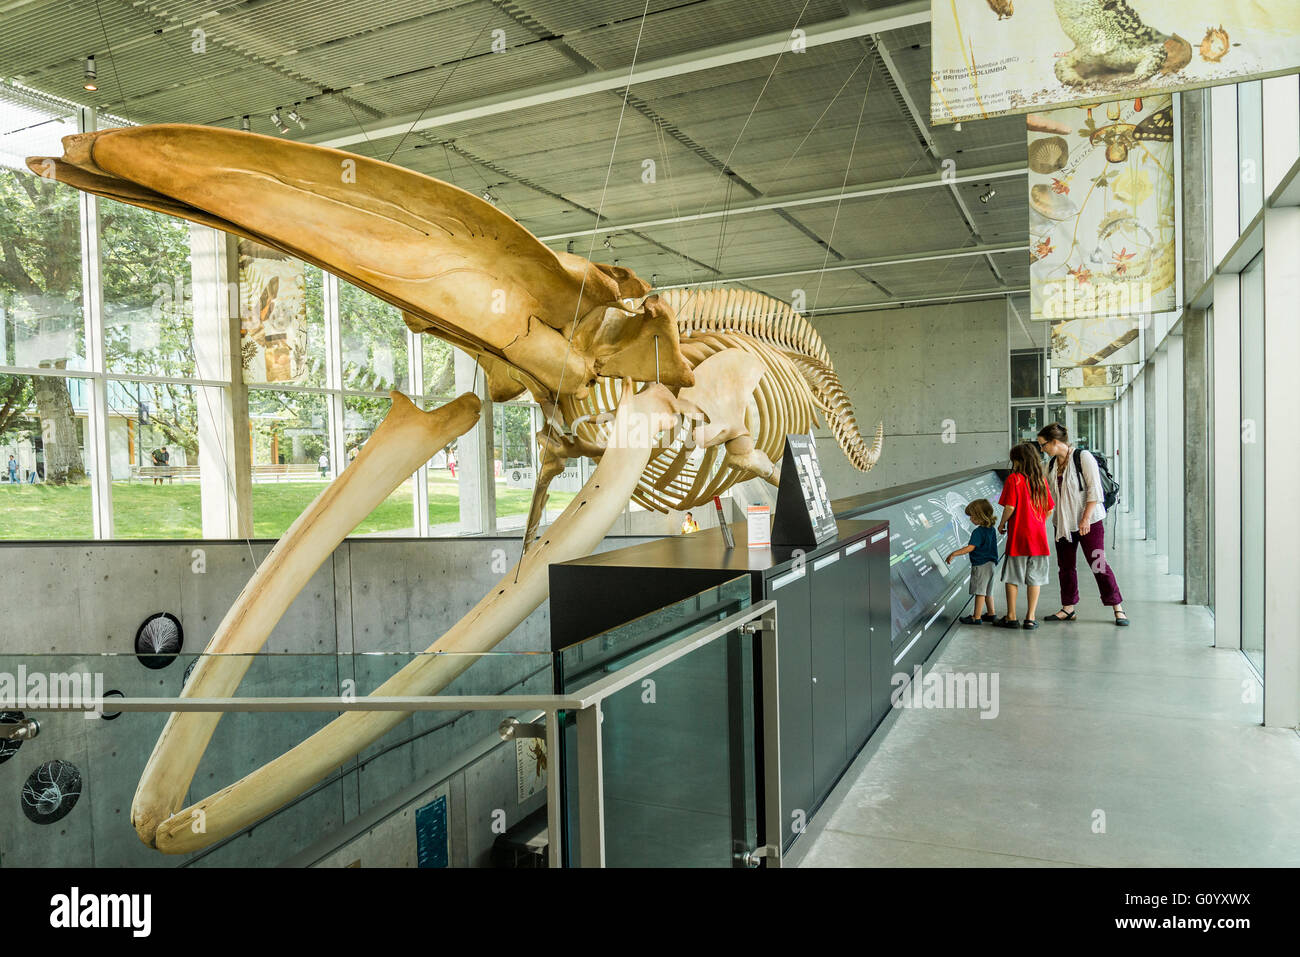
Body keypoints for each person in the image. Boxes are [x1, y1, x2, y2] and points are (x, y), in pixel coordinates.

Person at [1037, 423, 1129, 626]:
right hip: (1063, 523)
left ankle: (1117, 606)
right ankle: (1068, 608)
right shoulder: (1051, 465)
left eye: (1043, 445)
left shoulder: (1082, 457)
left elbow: (1094, 490)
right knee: (1065, 567)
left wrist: (1085, 518)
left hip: (1090, 521)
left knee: (1098, 564)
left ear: (1054, 442)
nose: (1041, 449)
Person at [995, 442, 1055, 629]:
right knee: (1034, 578)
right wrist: (1038, 523)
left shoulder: (1015, 479)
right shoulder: (1041, 480)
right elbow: (1049, 509)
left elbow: (1010, 507)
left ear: (1019, 461)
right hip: (1038, 539)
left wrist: (1002, 522)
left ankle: (1011, 616)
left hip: (1019, 537)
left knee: (1013, 577)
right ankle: (1030, 617)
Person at [945, 498, 999, 625]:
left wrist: (954, 553)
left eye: (973, 517)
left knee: (979, 591)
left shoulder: (978, 532)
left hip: (981, 564)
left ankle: (976, 616)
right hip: (991, 564)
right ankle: (991, 613)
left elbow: (970, 548)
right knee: (987, 591)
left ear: (980, 517)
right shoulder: (991, 529)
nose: (970, 519)